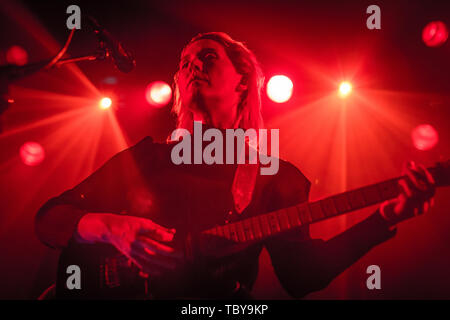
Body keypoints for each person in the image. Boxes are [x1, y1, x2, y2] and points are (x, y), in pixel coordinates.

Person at [35, 32, 436, 299]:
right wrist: (109, 226)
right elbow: (49, 219)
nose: (192, 66)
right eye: (184, 61)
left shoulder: (277, 176)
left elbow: (302, 277)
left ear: (243, 81)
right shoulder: (147, 156)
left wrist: (385, 217)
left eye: (207, 57)